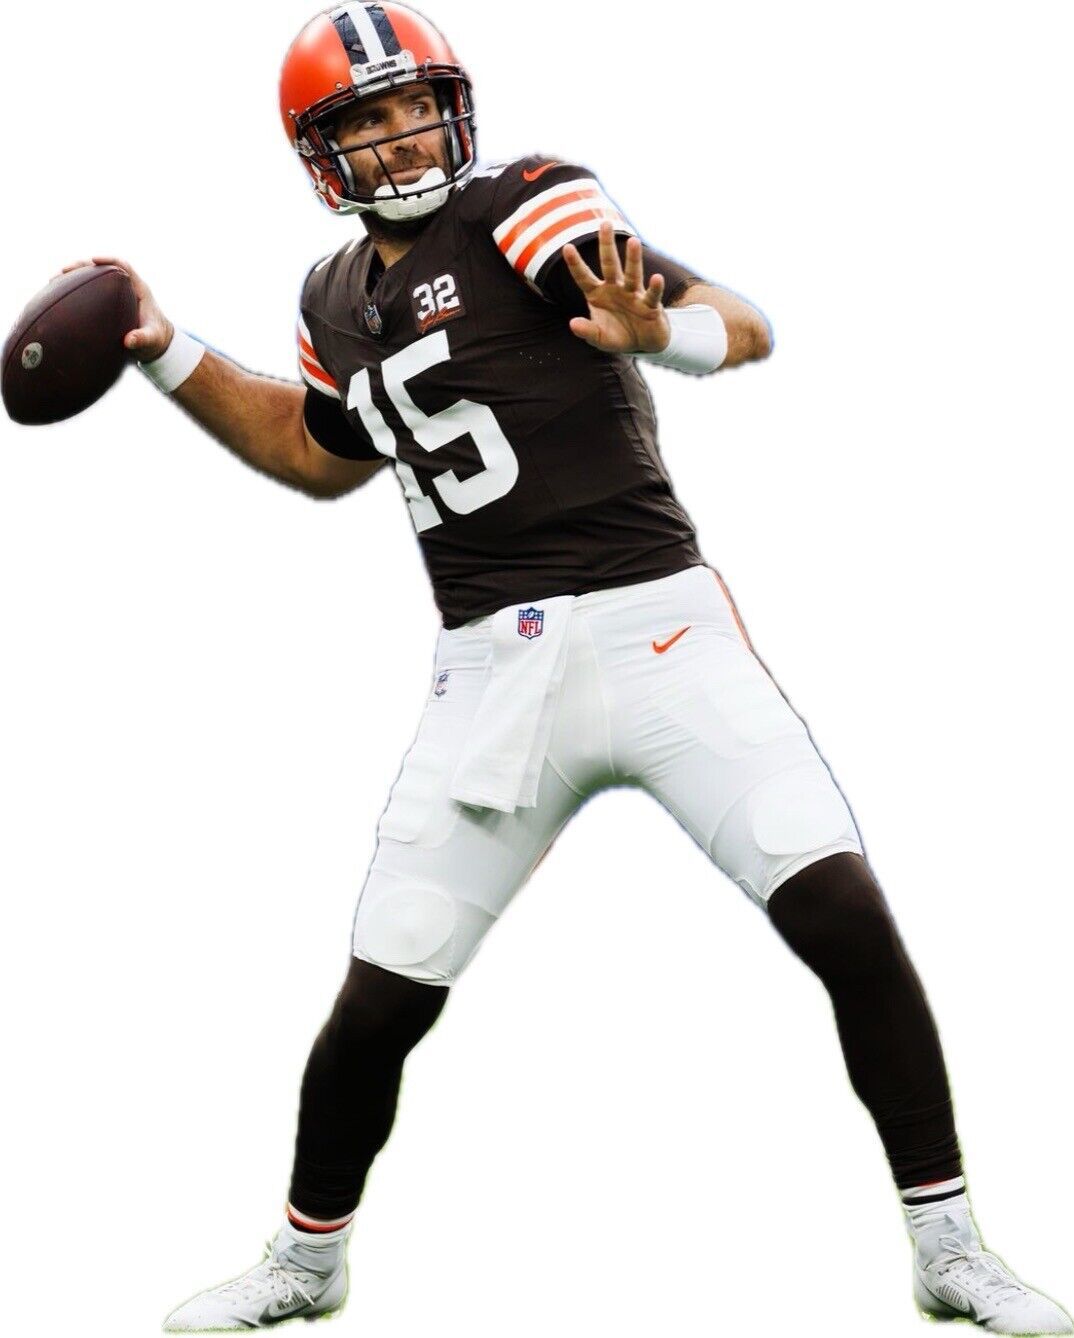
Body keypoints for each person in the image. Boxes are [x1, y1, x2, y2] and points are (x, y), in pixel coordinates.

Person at [61, 4, 1070, 1333]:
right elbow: (315, 453)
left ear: (454, 107)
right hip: (491, 674)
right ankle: (307, 1261)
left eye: (415, 103)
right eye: (365, 118)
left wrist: (661, 339)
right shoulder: (331, 297)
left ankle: (948, 1246)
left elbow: (738, 320)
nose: (400, 133)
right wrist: (164, 350)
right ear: (319, 154)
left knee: (839, 910)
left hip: (661, 632)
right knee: (384, 991)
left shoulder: (525, 204)